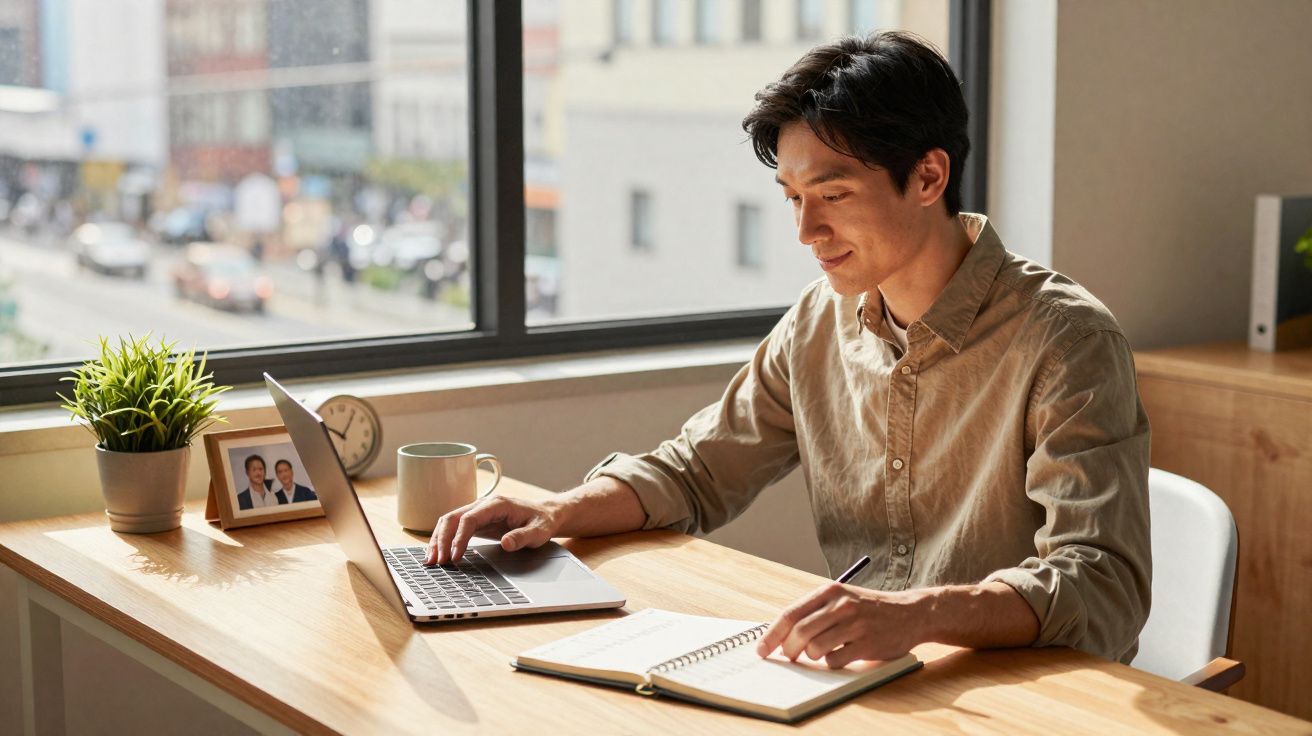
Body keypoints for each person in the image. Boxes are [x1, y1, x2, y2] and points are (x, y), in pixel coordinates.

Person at [426, 32, 1151, 668]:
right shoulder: (819, 320)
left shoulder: (1065, 339)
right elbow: (699, 472)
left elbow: (1101, 585)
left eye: (832, 196)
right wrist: (556, 511)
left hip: (1026, 692)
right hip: (869, 677)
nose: (805, 231)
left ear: (929, 177)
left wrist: (919, 615)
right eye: (790, 197)